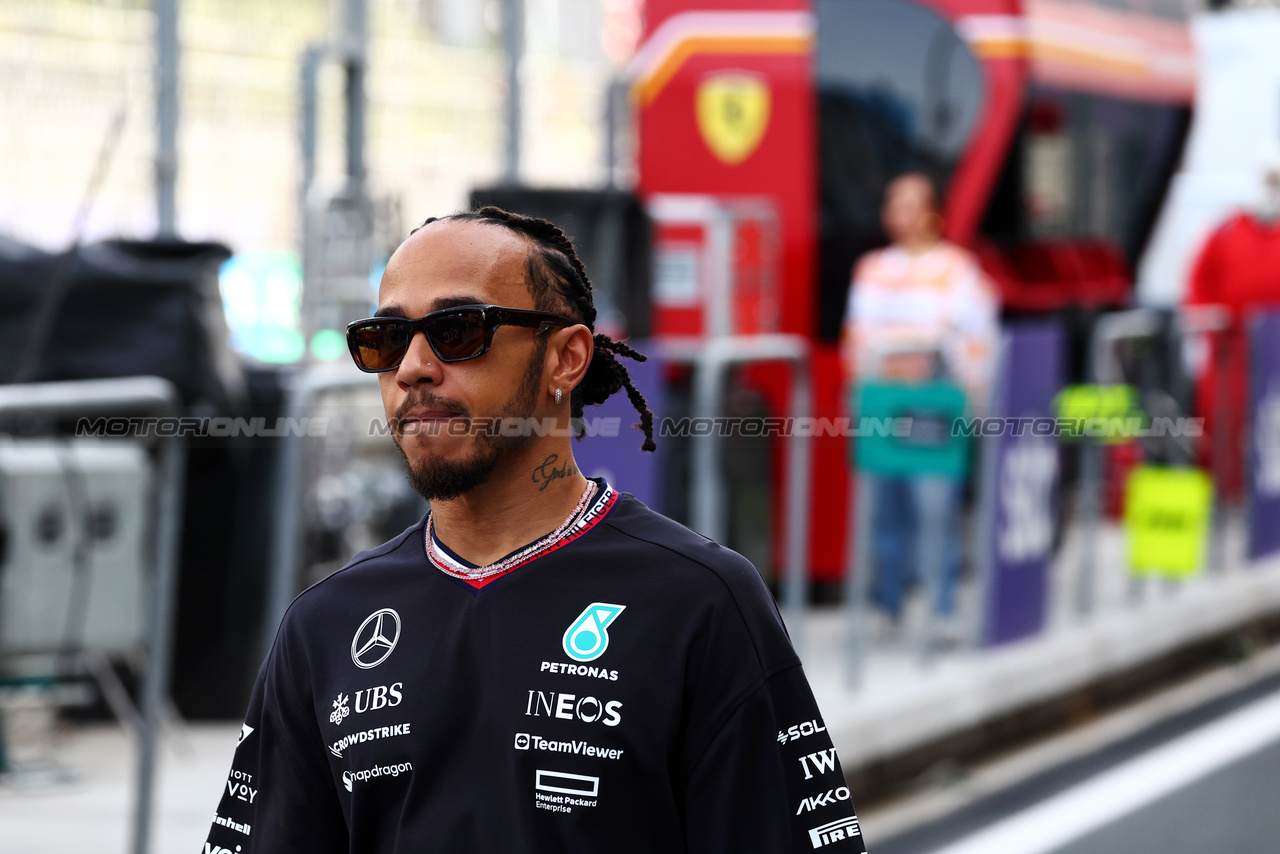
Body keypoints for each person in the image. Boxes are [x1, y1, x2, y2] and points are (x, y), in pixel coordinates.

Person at [204, 207, 865, 853]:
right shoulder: (323, 624)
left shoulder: (701, 602)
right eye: (385, 339)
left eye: (457, 330)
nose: (412, 367)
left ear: (566, 359)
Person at [841, 172, 999, 623]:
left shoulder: (957, 269)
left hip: (935, 403)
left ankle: (940, 605)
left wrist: (970, 399)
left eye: (909, 204)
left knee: (934, 507)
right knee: (883, 508)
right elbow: (859, 335)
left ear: (932, 212)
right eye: (892, 203)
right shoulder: (873, 268)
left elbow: (973, 338)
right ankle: (888, 603)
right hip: (882, 402)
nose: (898, 214)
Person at [1184, 157, 1280, 502]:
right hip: (1230, 348)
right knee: (1221, 421)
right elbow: (1198, 282)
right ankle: (1224, 495)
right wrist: (1208, 321)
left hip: (1273, 348)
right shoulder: (1226, 232)